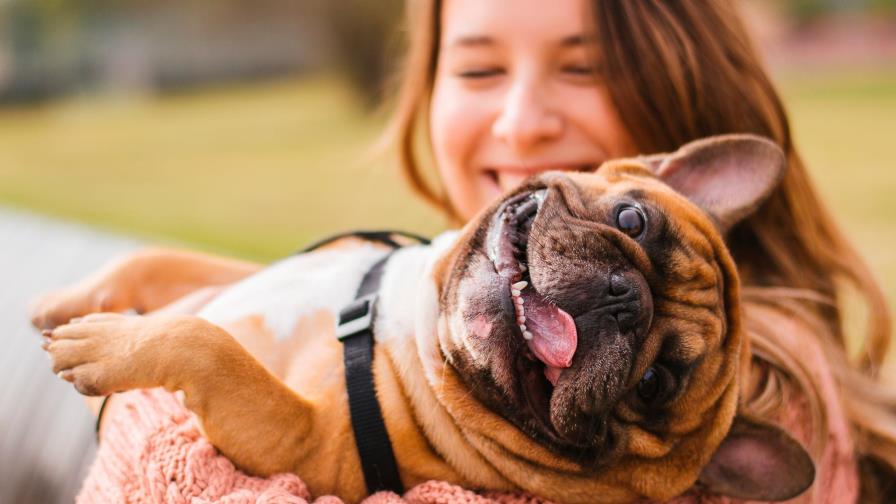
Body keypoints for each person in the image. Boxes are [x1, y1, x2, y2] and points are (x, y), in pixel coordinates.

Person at [30, 0, 895, 501]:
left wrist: (138, 403)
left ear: (686, 92)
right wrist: (153, 280)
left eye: (581, 69)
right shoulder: (439, 286)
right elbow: (293, 296)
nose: (521, 121)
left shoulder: (770, 395)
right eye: (479, 72)